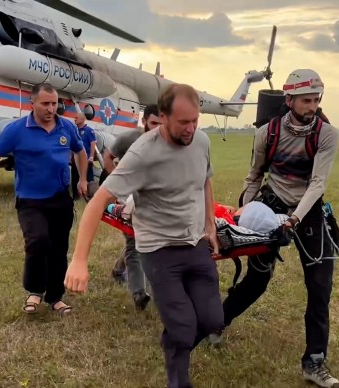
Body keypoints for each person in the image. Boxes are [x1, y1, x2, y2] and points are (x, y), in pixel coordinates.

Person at [65, 84, 223, 388]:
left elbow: (204, 180)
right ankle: (179, 375)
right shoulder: (143, 153)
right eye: (183, 122)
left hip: (195, 244)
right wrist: (79, 261)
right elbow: (98, 201)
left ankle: (175, 337)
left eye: (195, 121)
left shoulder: (201, 141)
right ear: (162, 117)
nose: (191, 129)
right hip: (158, 251)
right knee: (184, 327)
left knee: (213, 320)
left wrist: (210, 226)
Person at [213, 69, 339, 387]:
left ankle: (314, 362)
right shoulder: (266, 133)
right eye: (305, 100)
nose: (312, 106)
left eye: (316, 100)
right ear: (289, 100)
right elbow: (255, 174)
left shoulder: (327, 134)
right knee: (257, 279)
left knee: (320, 285)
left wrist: (294, 220)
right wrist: (245, 208)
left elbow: (317, 183)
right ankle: (217, 323)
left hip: (308, 211)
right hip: (270, 205)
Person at [0, 83, 89, 316]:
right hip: (30, 200)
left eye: (54, 103)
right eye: (45, 103)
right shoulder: (17, 130)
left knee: (58, 248)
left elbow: (80, 152)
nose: (50, 108)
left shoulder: (66, 127)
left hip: (60, 198)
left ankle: (55, 297)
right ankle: (35, 290)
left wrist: (83, 179)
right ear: (32, 103)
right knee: (37, 241)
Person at [108, 104, 161, 297]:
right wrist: (116, 185)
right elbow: (108, 157)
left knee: (143, 238)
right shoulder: (129, 139)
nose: (158, 127)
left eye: (161, 123)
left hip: (154, 196)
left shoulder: (168, 141)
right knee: (133, 241)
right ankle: (139, 293)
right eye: (154, 123)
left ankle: (118, 269)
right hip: (129, 196)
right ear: (144, 121)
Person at [70, 112, 97, 200]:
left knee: (88, 179)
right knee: (75, 179)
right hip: (75, 160)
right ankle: (76, 197)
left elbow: (92, 144)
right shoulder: (74, 130)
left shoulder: (89, 130)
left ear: (82, 119)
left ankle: (90, 197)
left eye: (76, 118)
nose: (75, 119)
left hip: (86, 160)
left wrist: (91, 157)